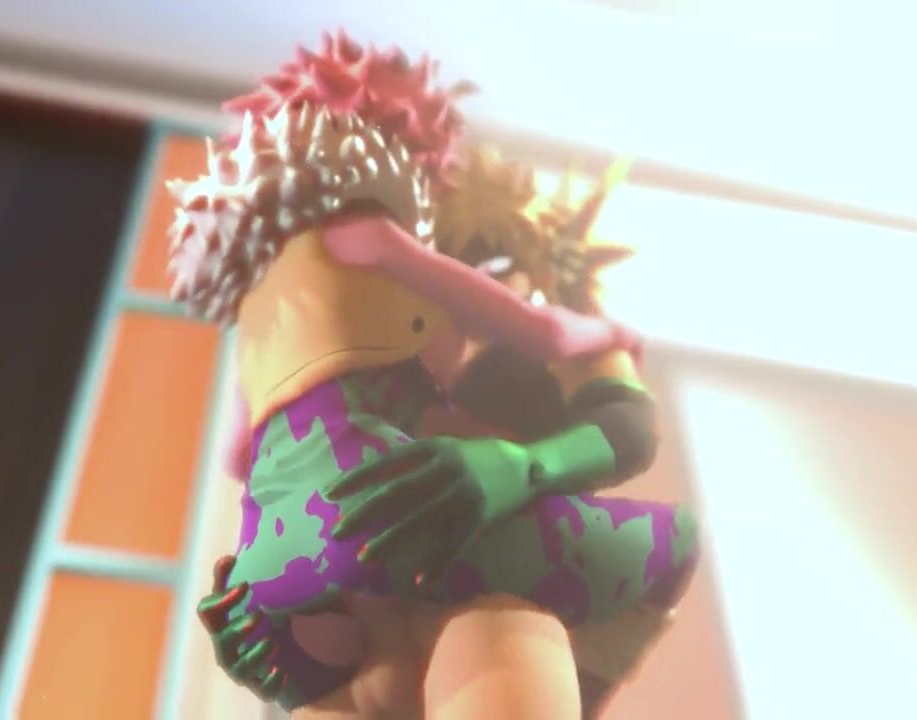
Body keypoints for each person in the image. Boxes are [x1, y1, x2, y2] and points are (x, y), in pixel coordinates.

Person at [193, 142, 700, 718]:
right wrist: (273, 640)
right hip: (374, 634)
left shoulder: (564, 337)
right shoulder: (388, 317)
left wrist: (524, 467)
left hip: (491, 602)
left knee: (503, 638)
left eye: (494, 263)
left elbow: (627, 431)